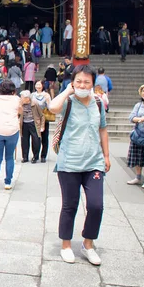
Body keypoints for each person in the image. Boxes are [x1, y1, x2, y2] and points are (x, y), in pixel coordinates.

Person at [48, 64, 109, 266]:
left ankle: (88, 244)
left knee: (96, 205)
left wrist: (106, 156)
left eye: (87, 82)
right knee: (70, 205)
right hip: (69, 163)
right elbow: (52, 108)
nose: (83, 85)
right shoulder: (69, 102)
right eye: (79, 81)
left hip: (94, 162)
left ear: (93, 84)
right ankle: (66, 245)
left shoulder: (98, 103)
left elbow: (103, 130)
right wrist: (67, 91)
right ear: (73, 82)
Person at [0, 80, 21, 192]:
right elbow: (20, 111)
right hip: (12, 130)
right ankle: (8, 182)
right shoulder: (17, 99)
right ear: (13, 90)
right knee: (9, 157)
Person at [19, 90, 44, 164]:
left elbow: (42, 115)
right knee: (24, 141)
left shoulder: (35, 103)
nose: (21, 98)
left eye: (22, 97)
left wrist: (42, 126)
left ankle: (35, 157)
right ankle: (25, 157)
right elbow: (17, 113)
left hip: (33, 123)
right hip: (24, 124)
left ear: (27, 98)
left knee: (36, 140)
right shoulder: (20, 104)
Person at [32, 81, 52, 162]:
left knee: (44, 137)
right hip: (35, 118)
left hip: (44, 118)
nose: (38, 86)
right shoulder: (32, 95)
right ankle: (35, 155)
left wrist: (47, 102)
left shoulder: (46, 95)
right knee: (35, 138)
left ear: (42, 86)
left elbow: (50, 106)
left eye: (39, 84)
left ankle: (43, 155)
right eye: (36, 84)